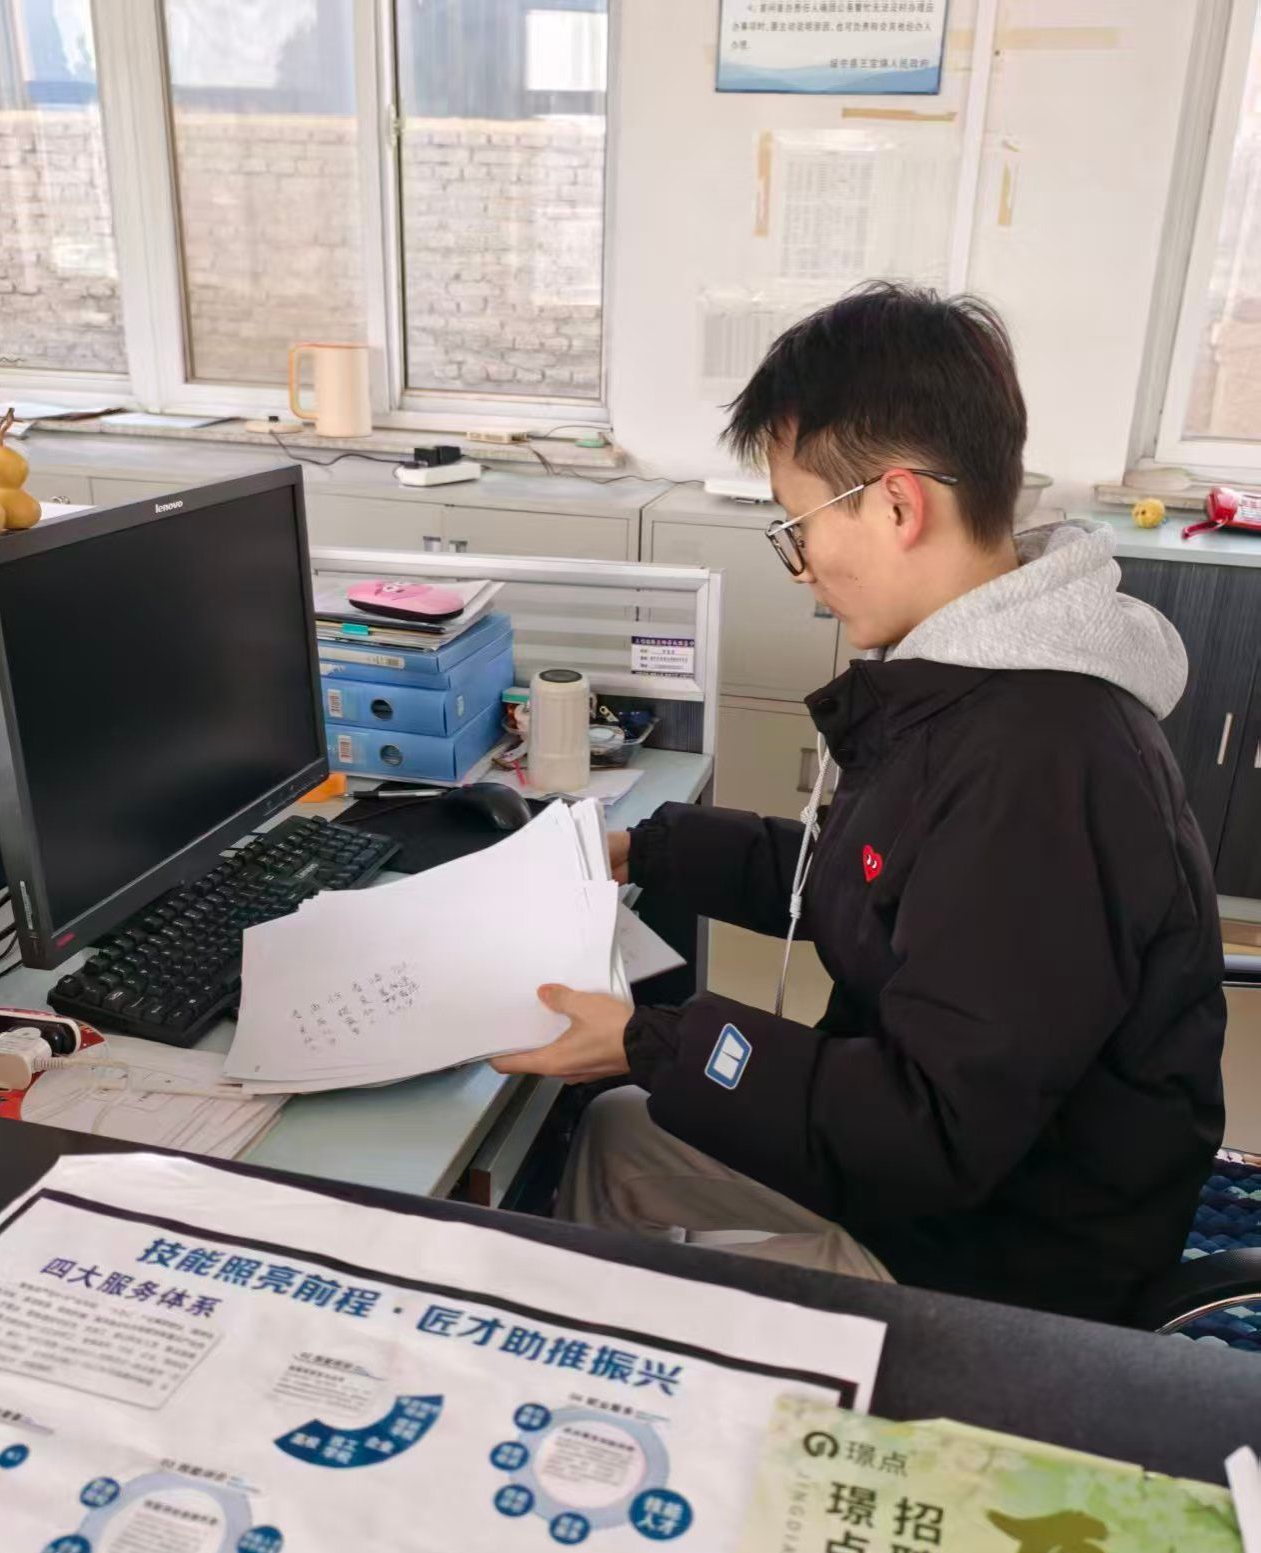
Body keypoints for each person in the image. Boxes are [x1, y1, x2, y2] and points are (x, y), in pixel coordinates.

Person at [494, 282, 1226, 1324]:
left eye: (797, 527)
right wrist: (646, 850)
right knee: (620, 1132)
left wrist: (655, 1040)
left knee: (630, 1118)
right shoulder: (968, 682)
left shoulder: (1043, 766)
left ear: (896, 505)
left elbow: (933, 1129)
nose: (801, 571)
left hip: (997, 1263)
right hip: (944, 1182)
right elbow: (871, 874)